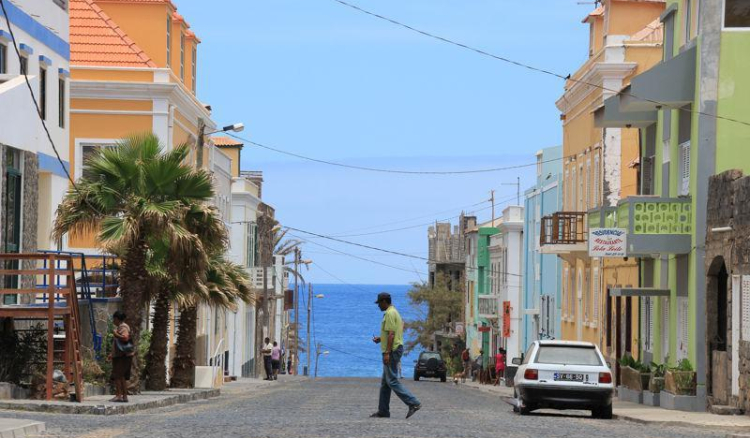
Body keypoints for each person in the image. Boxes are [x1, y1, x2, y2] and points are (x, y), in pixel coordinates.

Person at [370, 292, 422, 419]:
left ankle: (413, 403)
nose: (378, 306)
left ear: (384, 301)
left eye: (379, 303)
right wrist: (381, 338)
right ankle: (383, 411)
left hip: (392, 350)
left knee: (392, 380)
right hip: (395, 348)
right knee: (385, 383)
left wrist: (387, 353)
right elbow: (391, 333)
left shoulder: (389, 313)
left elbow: (392, 335)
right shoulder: (395, 312)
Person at [109, 311, 134, 403]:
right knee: (121, 376)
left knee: (118, 376)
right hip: (121, 355)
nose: (113, 321)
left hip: (122, 356)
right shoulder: (121, 326)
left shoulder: (123, 327)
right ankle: (124, 396)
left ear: (117, 319)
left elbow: (125, 338)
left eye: (114, 319)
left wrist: (116, 334)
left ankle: (119, 395)